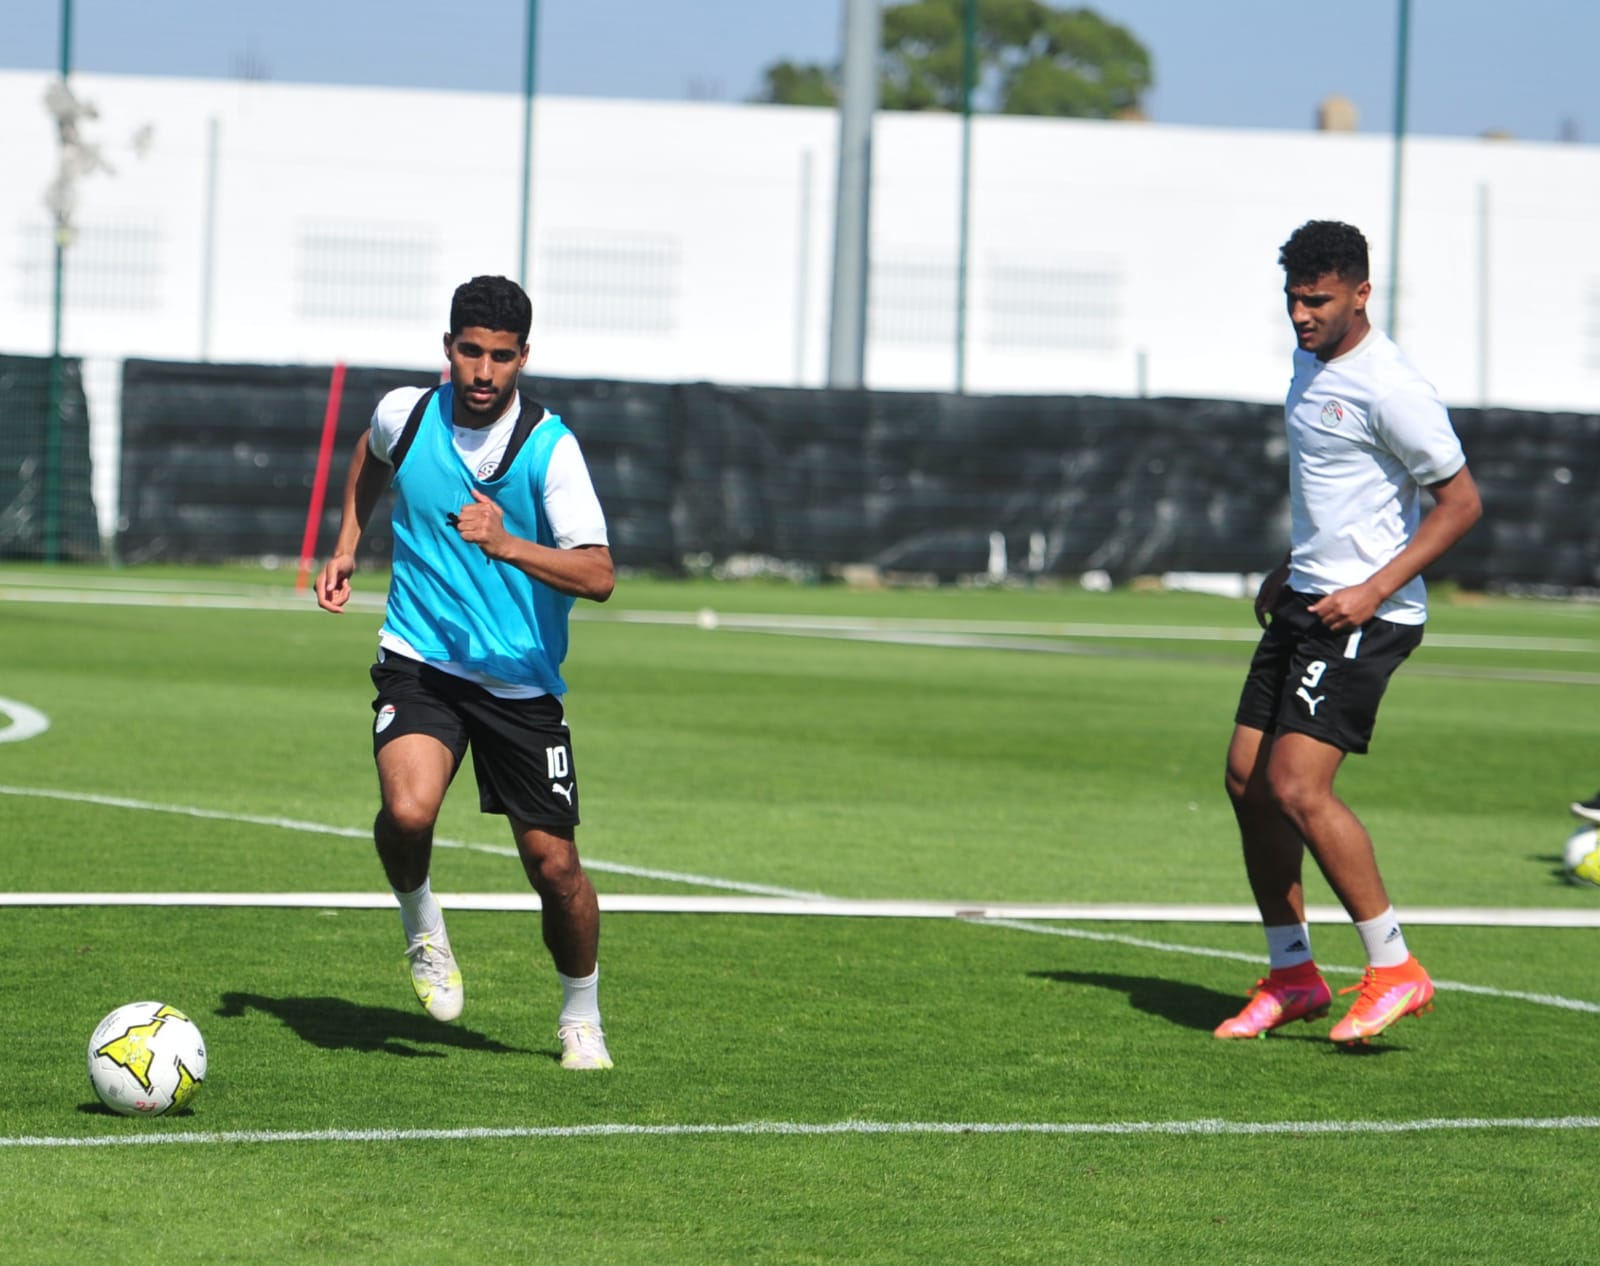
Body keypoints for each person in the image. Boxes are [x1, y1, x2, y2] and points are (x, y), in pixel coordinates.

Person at [314, 274, 617, 1070]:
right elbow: (371, 453)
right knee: (408, 811)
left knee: (555, 868)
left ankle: (580, 1014)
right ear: (447, 347)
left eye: (501, 357)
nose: (484, 372)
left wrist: (507, 541)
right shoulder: (407, 413)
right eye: (471, 352)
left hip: (519, 681)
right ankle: (422, 924)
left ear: (524, 357)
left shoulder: (550, 450)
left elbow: (598, 575)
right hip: (422, 659)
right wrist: (347, 543)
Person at [1214, 221, 1482, 1045]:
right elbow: (1342, 493)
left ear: (1362, 294)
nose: (1301, 315)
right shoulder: (1308, 363)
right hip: (1306, 598)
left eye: (1318, 300)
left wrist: (1371, 589)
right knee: (1246, 780)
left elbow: (1461, 505)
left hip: (1367, 615)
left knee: (1298, 787)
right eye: (1293, 299)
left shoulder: (1392, 388)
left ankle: (1395, 967)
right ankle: (1294, 975)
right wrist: (1291, 566)